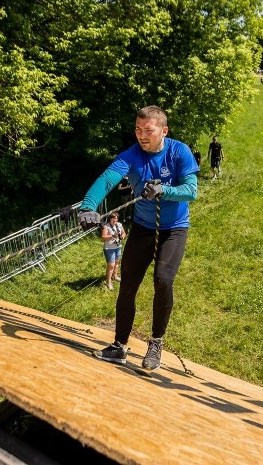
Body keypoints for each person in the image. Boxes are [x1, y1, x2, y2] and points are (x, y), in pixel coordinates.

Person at [78, 106, 199, 371]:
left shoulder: (179, 152)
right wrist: (88, 206)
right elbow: (107, 178)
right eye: (137, 129)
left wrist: (163, 189)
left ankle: (156, 342)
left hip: (174, 228)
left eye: (148, 130)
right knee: (128, 285)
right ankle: (119, 346)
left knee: (163, 280)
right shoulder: (131, 156)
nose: (141, 135)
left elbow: (191, 191)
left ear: (163, 131)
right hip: (144, 227)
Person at [100, 213, 126, 290]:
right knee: (111, 265)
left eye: (116, 218)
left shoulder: (119, 225)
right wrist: (111, 236)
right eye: (113, 218)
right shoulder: (106, 226)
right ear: (110, 219)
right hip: (109, 249)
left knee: (117, 263)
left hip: (118, 247)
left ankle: (115, 276)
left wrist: (122, 236)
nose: (115, 220)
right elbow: (103, 238)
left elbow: (123, 233)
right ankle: (108, 282)